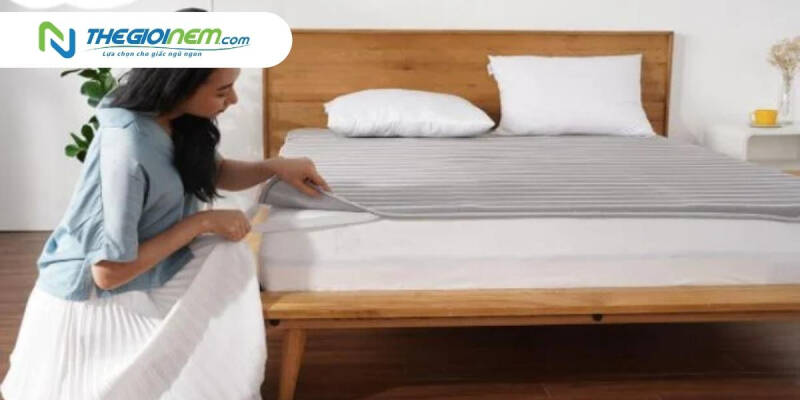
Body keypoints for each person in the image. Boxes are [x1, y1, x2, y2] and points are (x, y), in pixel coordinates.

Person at [0, 68, 329, 399]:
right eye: (222, 91)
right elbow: (107, 273)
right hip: (93, 305)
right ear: (179, 85)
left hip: (144, 272)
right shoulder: (126, 148)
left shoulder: (172, 120)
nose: (233, 99)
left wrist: (274, 167)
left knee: (228, 253)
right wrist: (202, 222)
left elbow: (213, 173)